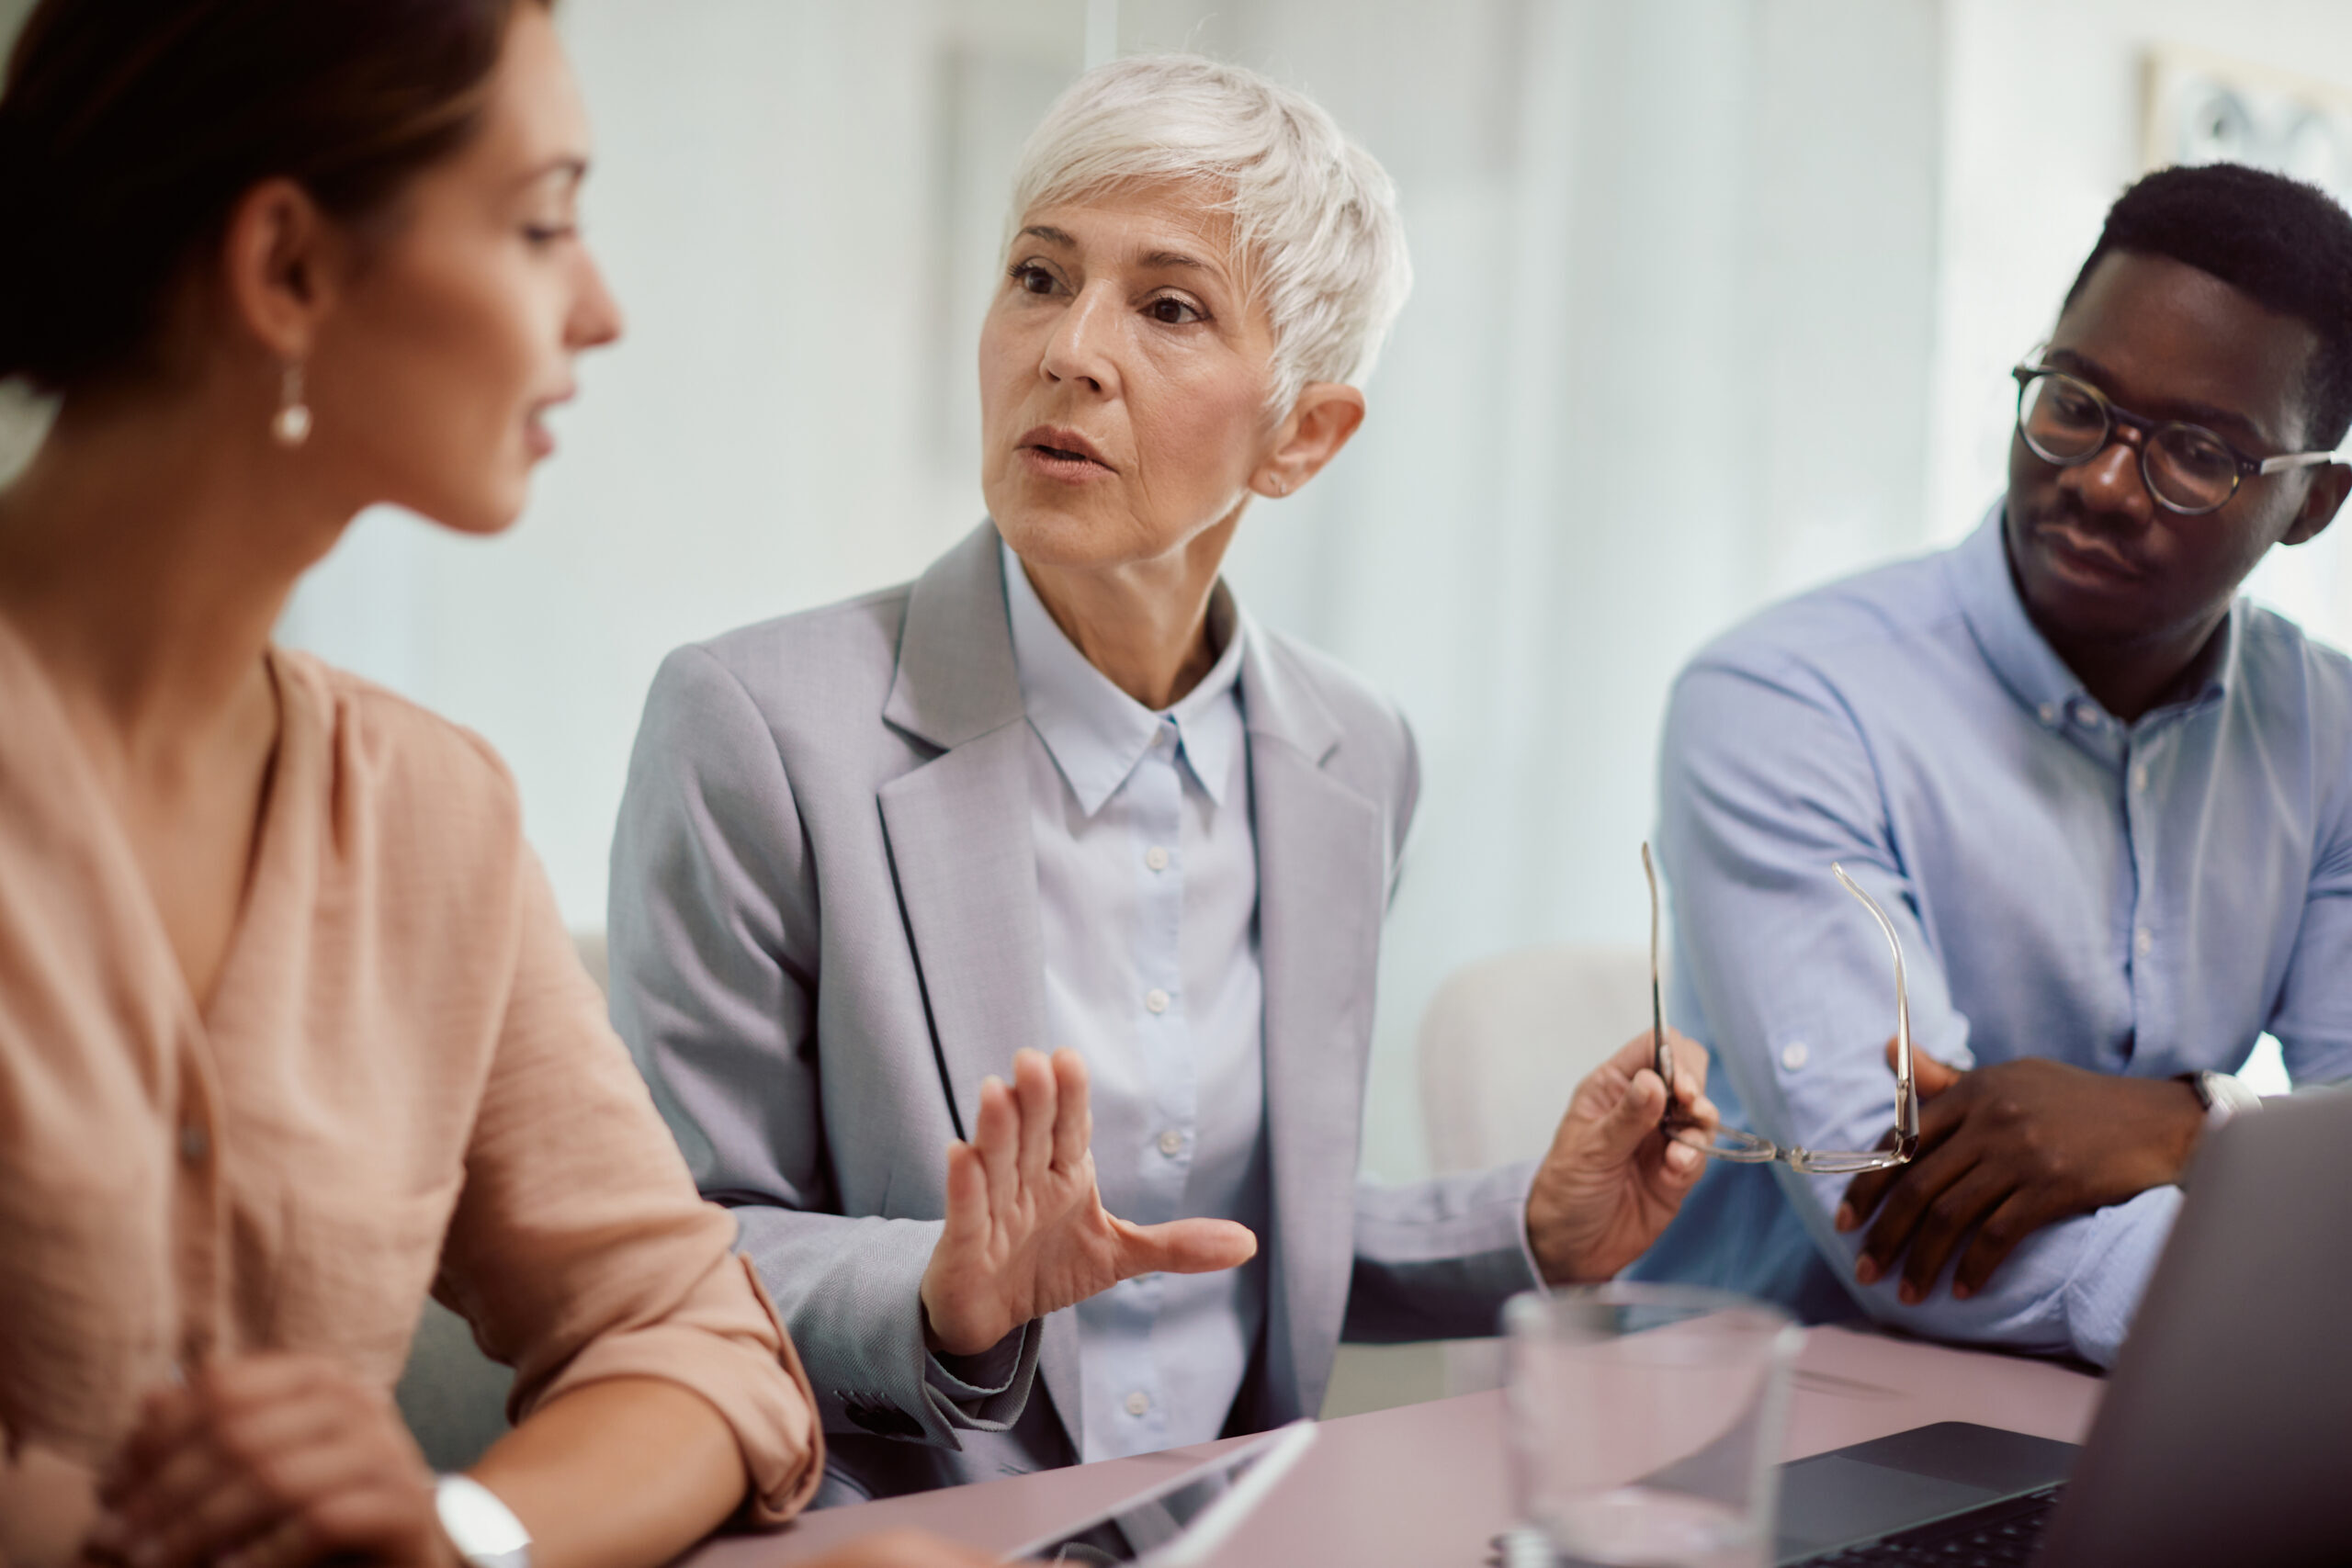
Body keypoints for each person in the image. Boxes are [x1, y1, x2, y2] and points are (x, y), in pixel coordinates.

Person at [610, 51, 1718, 1506]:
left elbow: (1234, 1232)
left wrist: (1531, 1228)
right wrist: (938, 1289)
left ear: (1303, 437)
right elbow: (668, 1248)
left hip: (1249, 1528)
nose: (1071, 349)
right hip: (915, 1535)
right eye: (1036, 276)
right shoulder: (755, 724)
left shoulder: (1354, 752)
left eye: (1170, 306)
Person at [0, 3, 989, 1566]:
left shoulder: (423, 814)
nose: (598, 309)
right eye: (541, 225)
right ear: (289, 271)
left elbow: (697, 1341)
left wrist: (455, 1530)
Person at [1629, 162, 2352, 1367]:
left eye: (2197, 454)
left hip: (2151, 1409)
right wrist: (2268, 1251)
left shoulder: (2330, 730)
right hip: (1767, 1419)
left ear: (2311, 504)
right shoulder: (1787, 699)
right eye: (2074, 402)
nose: (2104, 483)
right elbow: (1899, 1217)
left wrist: (2192, 1128)